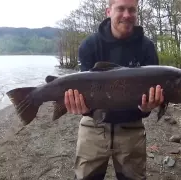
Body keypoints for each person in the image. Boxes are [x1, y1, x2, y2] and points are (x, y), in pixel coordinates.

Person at [64, 0, 164, 179]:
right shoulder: (89, 45)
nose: (127, 14)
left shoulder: (146, 47)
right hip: (93, 126)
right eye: (121, 9)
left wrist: (147, 107)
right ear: (108, 11)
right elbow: (83, 88)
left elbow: (152, 98)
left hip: (131, 128)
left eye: (132, 9)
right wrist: (83, 108)